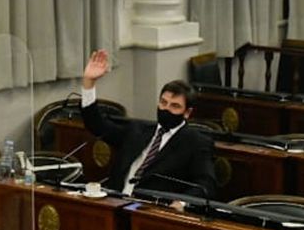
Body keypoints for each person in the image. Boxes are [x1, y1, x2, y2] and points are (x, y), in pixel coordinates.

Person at [79, 49, 217, 197]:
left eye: (174, 106)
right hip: (115, 201)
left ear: (187, 113)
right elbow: (96, 125)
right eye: (163, 103)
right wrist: (89, 83)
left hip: (151, 210)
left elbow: (206, 184)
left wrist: (182, 203)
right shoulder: (137, 130)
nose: (166, 109)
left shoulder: (196, 142)